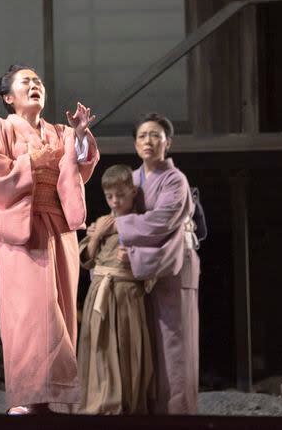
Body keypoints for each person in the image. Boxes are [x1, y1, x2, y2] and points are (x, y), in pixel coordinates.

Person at [0, 64, 100, 415]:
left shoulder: (60, 132)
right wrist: (29, 163)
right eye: (26, 82)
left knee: (60, 308)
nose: (35, 86)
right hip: (21, 231)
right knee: (30, 313)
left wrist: (81, 134)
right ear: (8, 97)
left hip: (58, 227)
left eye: (38, 81)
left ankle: (52, 397)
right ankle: (26, 395)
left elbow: (82, 167)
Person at [113, 112, 200, 414]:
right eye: (142, 136)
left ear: (168, 143)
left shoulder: (175, 180)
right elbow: (117, 210)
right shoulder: (132, 179)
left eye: (155, 135)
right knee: (144, 341)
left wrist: (122, 230)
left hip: (174, 263)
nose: (148, 141)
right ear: (135, 145)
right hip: (139, 267)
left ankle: (179, 414)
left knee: (174, 342)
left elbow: (161, 221)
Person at [77, 164, 154, 415]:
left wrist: (132, 257)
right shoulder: (103, 221)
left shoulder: (142, 223)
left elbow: (153, 262)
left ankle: (127, 404)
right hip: (100, 292)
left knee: (127, 348)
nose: (114, 201)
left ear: (132, 192)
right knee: (99, 346)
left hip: (127, 296)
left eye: (120, 195)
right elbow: (87, 257)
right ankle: (100, 401)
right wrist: (98, 235)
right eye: (109, 196)